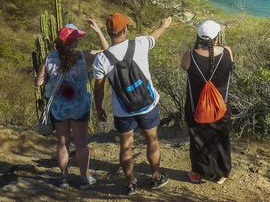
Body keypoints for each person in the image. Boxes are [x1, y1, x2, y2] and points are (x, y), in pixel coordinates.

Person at [93, 13, 172, 195]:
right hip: (147, 105)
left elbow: (99, 88)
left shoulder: (102, 59)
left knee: (126, 146)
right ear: (125, 29)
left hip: (123, 110)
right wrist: (164, 25)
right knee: (152, 140)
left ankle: (130, 183)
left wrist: (99, 108)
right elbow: (156, 35)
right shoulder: (139, 44)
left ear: (108, 32)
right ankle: (155, 177)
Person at [35, 19, 108, 190]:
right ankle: (84, 178)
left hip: (59, 107)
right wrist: (98, 31)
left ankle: (64, 178)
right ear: (73, 42)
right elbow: (107, 51)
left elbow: (39, 83)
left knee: (62, 142)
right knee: (81, 143)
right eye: (77, 39)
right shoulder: (84, 56)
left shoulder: (50, 58)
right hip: (79, 106)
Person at [181, 20, 233, 184]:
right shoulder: (227, 52)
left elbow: (184, 66)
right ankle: (221, 174)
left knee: (198, 139)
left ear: (199, 36)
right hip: (220, 107)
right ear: (217, 37)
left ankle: (197, 173)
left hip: (196, 108)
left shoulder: (189, 55)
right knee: (220, 138)